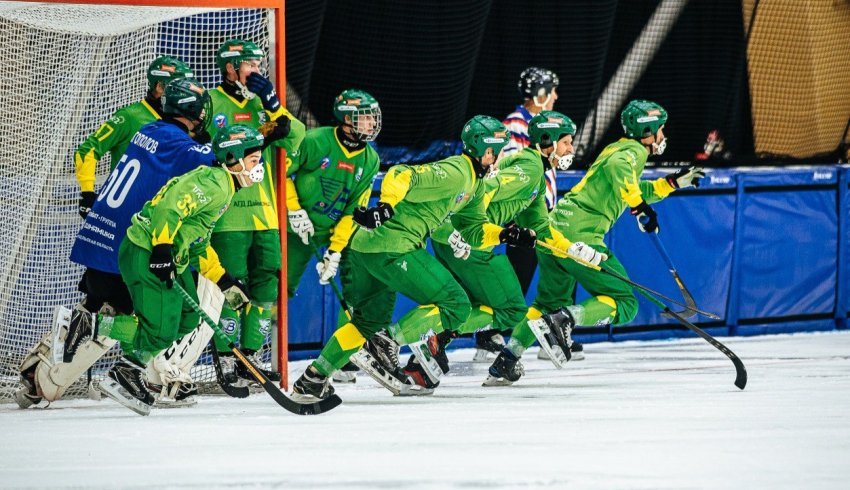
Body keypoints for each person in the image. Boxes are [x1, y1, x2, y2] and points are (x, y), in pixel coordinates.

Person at [289, 116, 536, 400]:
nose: (502, 157)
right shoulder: (457, 171)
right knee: (456, 303)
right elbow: (401, 174)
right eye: (501, 150)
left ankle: (314, 377)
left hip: (363, 249)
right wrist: (385, 205)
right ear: (488, 151)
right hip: (394, 246)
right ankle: (388, 341)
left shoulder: (475, 186)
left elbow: (476, 231)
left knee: (366, 323)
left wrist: (506, 235)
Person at [15, 77, 217, 408]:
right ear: (195, 112)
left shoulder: (149, 130)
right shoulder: (176, 143)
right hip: (126, 240)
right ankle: (147, 374)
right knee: (147, 318)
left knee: (100, 306)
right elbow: (223, 159)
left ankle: (35, 373)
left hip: (103, 232)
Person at [485, 99, 705, 385]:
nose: (662, 135)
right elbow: (621, 171)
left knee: (545, 303)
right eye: (660, 129)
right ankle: (566, 319)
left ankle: (507, 359)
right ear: (647, 130)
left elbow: (632, 186)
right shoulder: (632, 151)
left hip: (555, 230)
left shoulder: (618, 147)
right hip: (580, 234)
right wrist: (639, 207)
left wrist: (673, 183)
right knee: (625, 303)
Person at [396, 111, 601, 389]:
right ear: (547, 141)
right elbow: (487, 188)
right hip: (472, 241)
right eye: (566, 142)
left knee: (465, 304)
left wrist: (572, 249)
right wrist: (464, 228)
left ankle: (429, 350)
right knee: (513, 310)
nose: (570, 149)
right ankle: (434, 337)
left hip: (453, 239)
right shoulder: (529, 168)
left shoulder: (535, 174)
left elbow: (541, 226)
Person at [98, 125, 266, 415]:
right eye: (253, 161)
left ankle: (102, 336)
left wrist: (223, 280)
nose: (258, 167)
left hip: (169, 256)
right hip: (147, 251)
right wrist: (162, 248)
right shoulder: (215, 183)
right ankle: (122, 365)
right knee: (162, 327)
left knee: (188, 318)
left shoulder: (224, 190)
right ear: (233, 160)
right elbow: (170, 209)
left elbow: (199, 242)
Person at [207, 39, 306, 383]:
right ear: (231, 68)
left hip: (265, 214)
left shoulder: (262, 103)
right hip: (228, 213)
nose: (258, 70)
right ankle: (225, 357)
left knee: (267, 288)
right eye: (250, 64)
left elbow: (297, 136)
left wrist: (274, 104)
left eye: (259, 64)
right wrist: (261, 133)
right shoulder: (210, 102)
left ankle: (249, 357)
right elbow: (208, 148)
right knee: (232, 288)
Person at [473, 67, 583, 362]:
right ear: (541, 94)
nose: (556, 96)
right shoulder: (514, 126)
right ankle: (488, 335)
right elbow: (506, 171)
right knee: (517, 278)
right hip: (520, 213)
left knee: (558, 268)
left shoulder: (545, 123)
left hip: (540, 209)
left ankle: (558, 331)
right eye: (553, 91)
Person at [285, 88, 381, 296]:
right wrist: (294, 210)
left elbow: (354, 210)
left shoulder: (371, 160)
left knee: (361, 268)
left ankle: (359, 318)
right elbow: (281, 174)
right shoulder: (314, 140)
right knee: (281, 288)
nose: (372, 124)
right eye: (366, 117)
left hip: (332, 232)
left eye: (373, 118)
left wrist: (336, 249)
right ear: (347, 118)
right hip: (295, 229)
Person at [75, 56, 194, 220]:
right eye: (178, 88)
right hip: (124, 212)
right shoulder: (129, 117)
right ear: (159, 87)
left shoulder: (183, 122)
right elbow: (87, 150)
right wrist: (87, 193)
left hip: (161, 214)